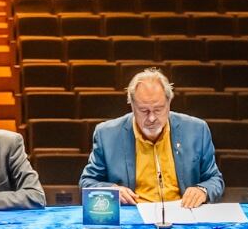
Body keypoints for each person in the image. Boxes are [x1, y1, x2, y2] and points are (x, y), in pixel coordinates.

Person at [79, 68, 223, 208]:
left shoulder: (197, 130)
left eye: (158, 109)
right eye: (144, 111)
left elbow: (215, 180)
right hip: (134, 217)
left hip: (183, 214)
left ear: (169, 103)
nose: (152, 118)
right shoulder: (107, 135)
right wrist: (112, 191)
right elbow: (87, 182)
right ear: (132, 106)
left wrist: (202, 190)